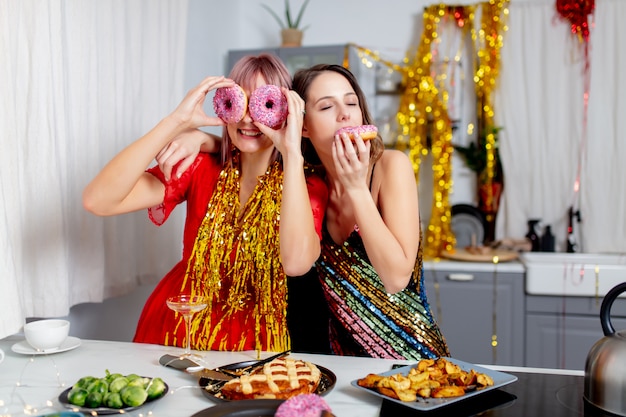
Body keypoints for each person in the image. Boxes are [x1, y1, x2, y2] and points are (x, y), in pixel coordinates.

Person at [82, 54, 327, 353]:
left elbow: (298, 262)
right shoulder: (200, 166)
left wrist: (290, 152)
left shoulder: (308, 185)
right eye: (240, 102)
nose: (248, 118)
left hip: (256, 341)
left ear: (286, 111)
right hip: (178, 326)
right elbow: (99, 200)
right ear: (226, 105)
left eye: (263, 105)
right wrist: (175, 123)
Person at [291, 64, 449, 360]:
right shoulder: (307, 186)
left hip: (415, 364)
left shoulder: (391, 167)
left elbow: (396, 278)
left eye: (351, 103)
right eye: (326, 106)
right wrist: (208, 140)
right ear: (304, 127)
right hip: (346, 370)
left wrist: (356, 188)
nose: (345, 114)